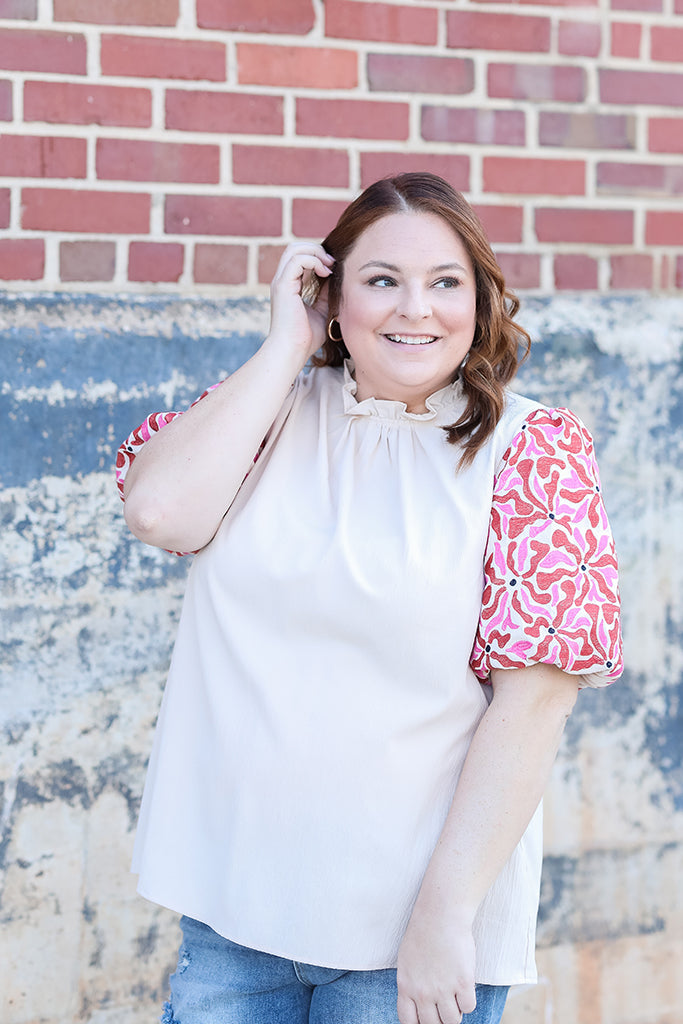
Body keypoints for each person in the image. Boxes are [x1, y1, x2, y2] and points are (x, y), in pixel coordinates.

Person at [116, 173, 623, 1024]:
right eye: (381, 280)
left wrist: (443, 918)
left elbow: (532, 708)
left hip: (410, 936)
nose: (413, 310)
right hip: (237, 917)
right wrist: (285, 346)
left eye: (444, 283)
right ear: (333, 297)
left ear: (481, 302)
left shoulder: (534, 452)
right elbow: (161, 511)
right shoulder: (269, 414)